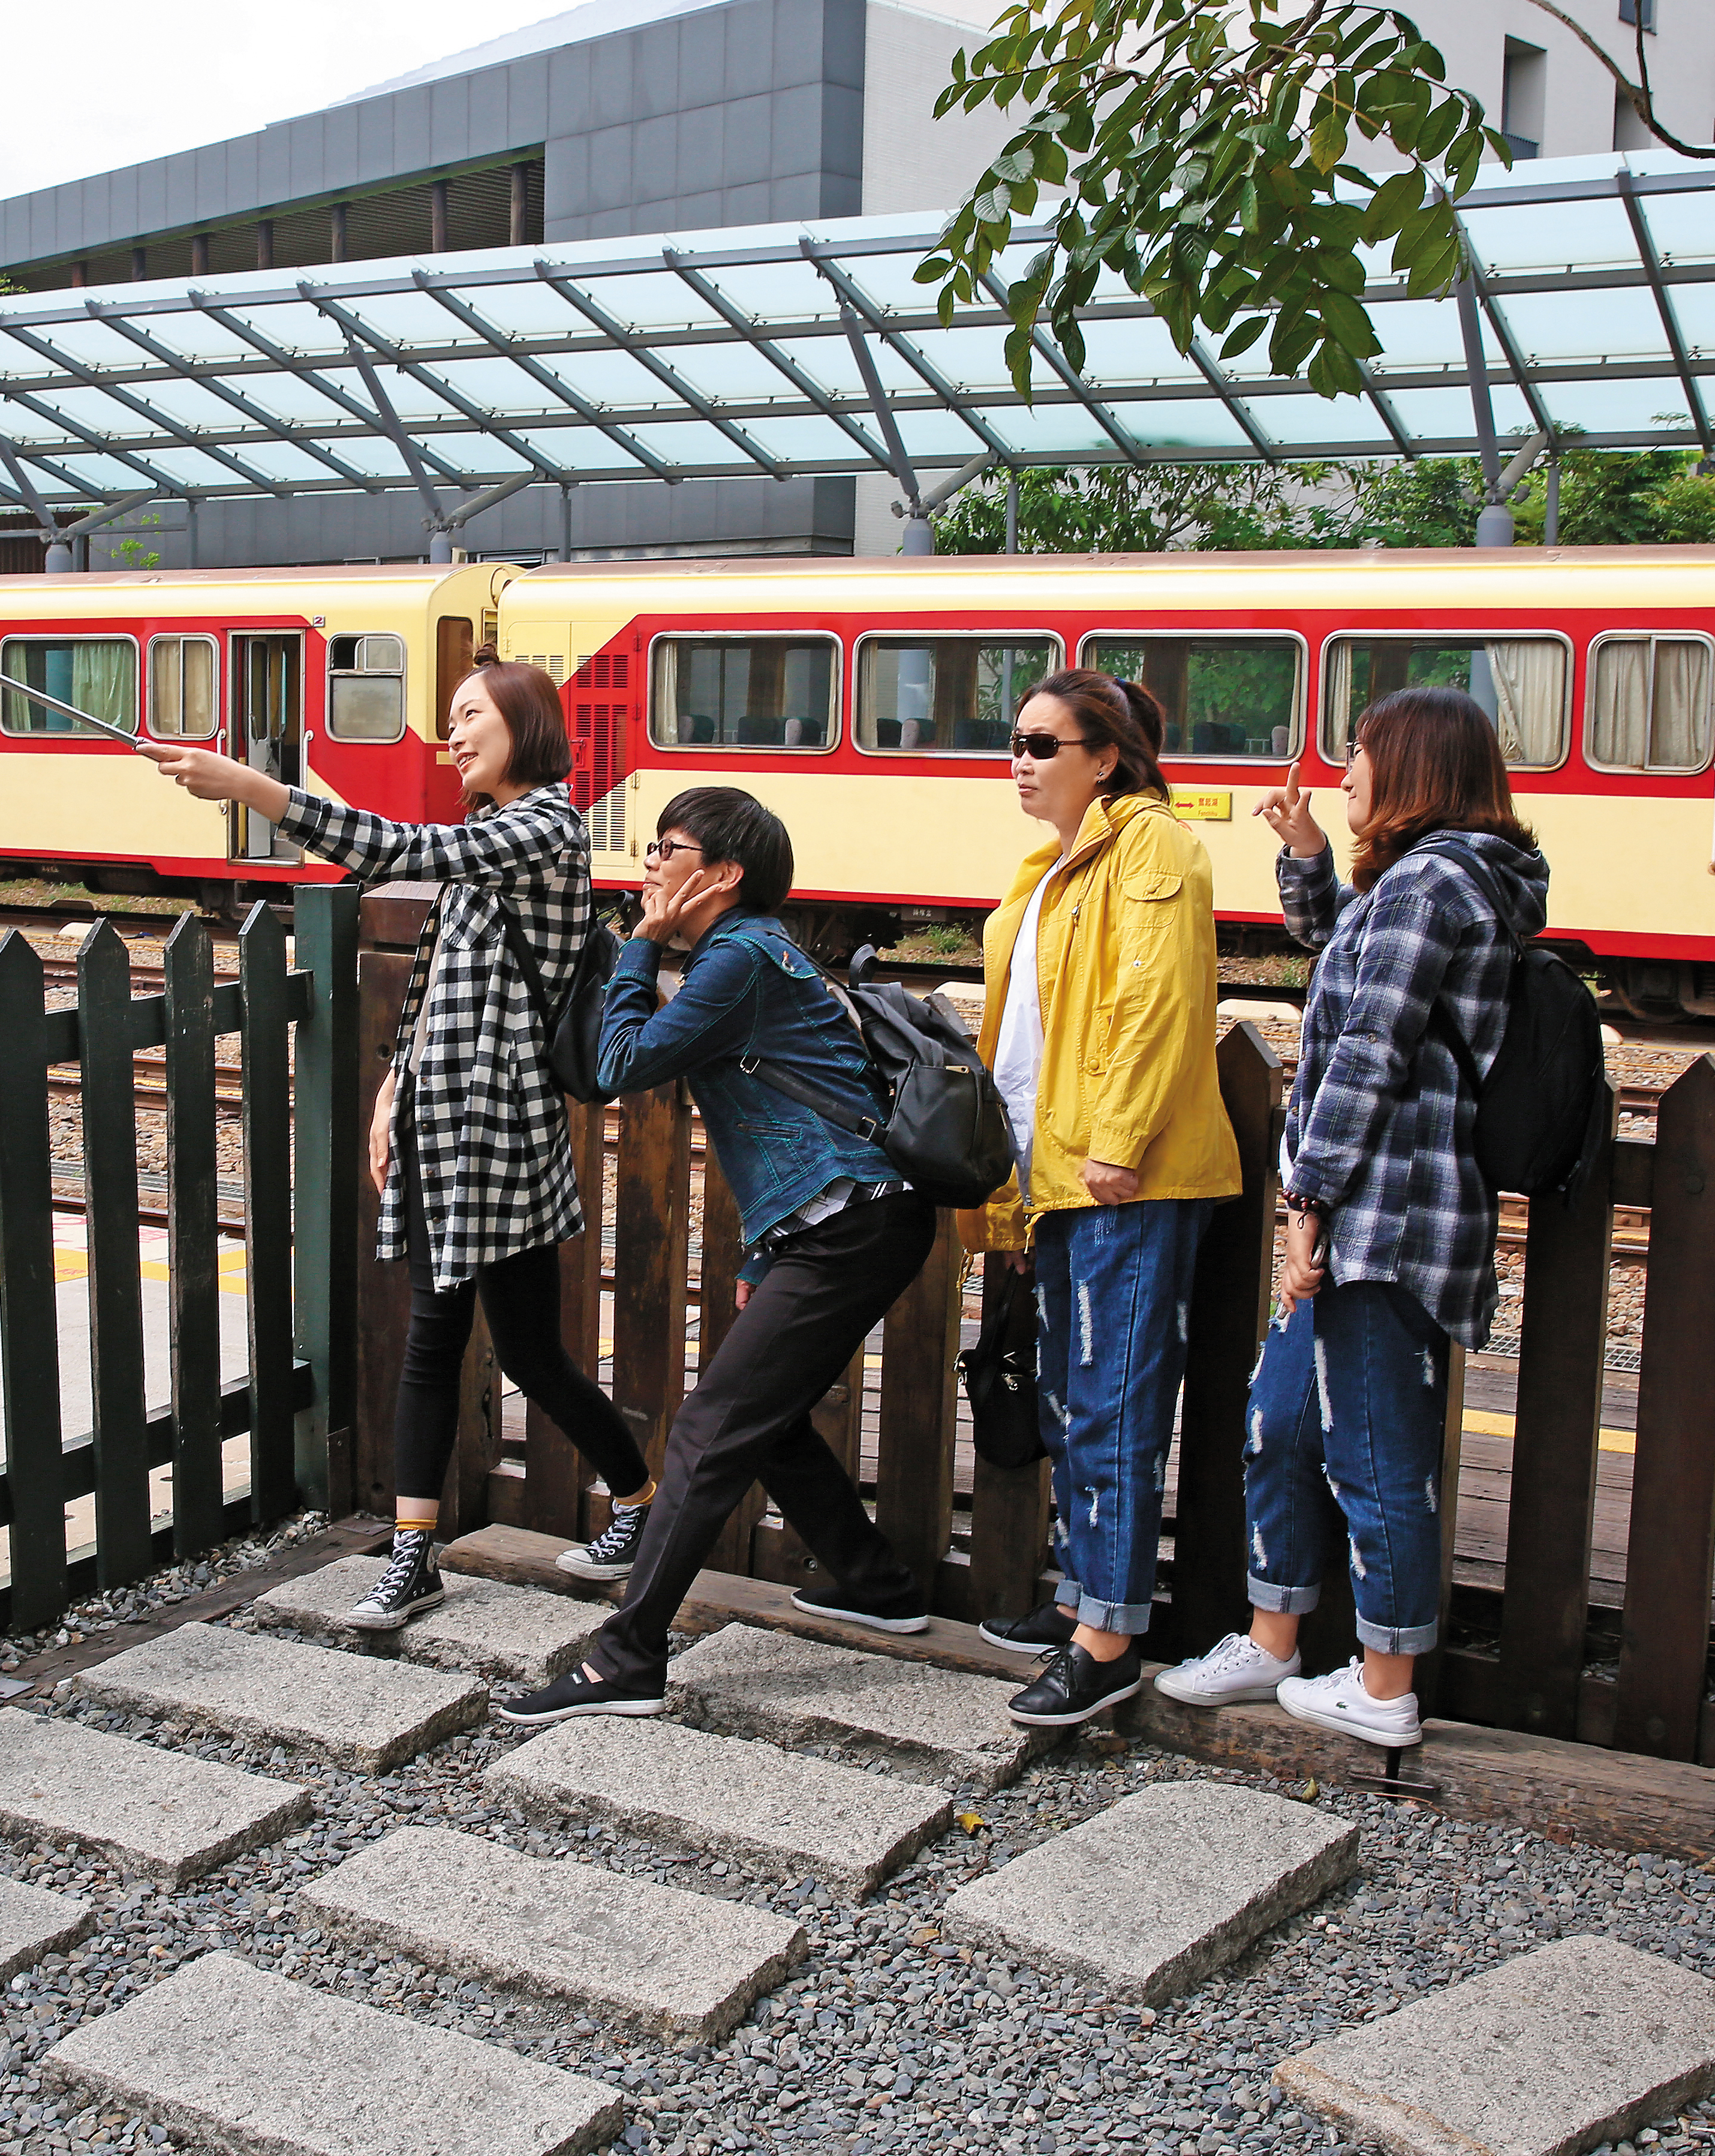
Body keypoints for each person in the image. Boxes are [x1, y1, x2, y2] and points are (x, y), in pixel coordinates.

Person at [144, 661, 657, 1626]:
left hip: (501, 1134)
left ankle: (633, 1499)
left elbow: (388, 850)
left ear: (525, 725)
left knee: (520, 1353)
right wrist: (391, 1093)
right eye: (451, 721)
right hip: (443, 1125)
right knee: (455, 1342)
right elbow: (434, 991)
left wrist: (259, 789)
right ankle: (427, 1551)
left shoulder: (543, 826)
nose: (451, 736)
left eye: (471, 717)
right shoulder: (488, 838)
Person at [1159, 685, 1548, 1748]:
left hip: (1387, 1216)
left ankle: (1385, 1688)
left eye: (1363, 751)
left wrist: (1307, 1203)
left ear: (1414, 765)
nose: (1346, 766)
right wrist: (1304, 854)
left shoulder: (1431, 884)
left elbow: (1368, 1054)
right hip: (1371, 1207)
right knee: (1280, 1425)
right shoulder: (1430, 882)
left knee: (1373, 1455)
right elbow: (1346, 963)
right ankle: (1272, 1643)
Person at [498, 786, 937, 1722]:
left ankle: (627, 1657)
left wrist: (642, 946)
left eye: (670, 847)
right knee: (762, 1417)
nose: (651, 861)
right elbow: (783, 1119)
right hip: (836, 1219)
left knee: (707, 1429)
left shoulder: (737, 955)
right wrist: (760, 1258)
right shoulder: (757, 953)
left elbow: (619, 1068)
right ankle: (877, 1586)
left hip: (851, 1220)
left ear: (724, 874)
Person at [966, 667, 1241, 1728]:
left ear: (1107, 757)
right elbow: (1032, 1048)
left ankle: (1110, 1641)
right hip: (1065, 1178)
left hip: (1122, 1177)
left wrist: (1117, 1145)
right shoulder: (1055, 866)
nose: (1021, 762)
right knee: (1078, 1403)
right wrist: (1025, 1199)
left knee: (1115, 1402)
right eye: (1017, 742)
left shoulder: (1152, 847)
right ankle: (1089, 1600)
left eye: (1043, 746)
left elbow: (1156, 1001)